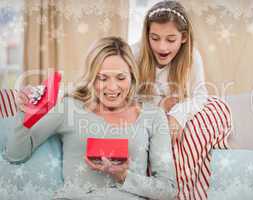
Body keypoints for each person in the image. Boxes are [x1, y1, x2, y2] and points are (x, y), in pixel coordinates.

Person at [4, 37, 177, 200]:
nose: (112, 87)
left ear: (132, 76)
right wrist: (24, 113)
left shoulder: (153, 116)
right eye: (103, 78)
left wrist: (124, 176)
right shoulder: (69, 107)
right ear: (92, 78)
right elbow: (15, 155)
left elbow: (168, 189)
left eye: (121, 77)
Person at [133, 1, 233, 199]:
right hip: (146, 117)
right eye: (155, 38)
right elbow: (126, 99)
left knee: (216, 106)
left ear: (184, 37)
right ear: (147, 36)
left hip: (177, 115)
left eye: (171, 39)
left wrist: (178, 114)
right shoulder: (134, 54)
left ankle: (189, 189)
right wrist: (159, 107)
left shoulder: (192, 57)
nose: (162, 47)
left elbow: (200, 94)